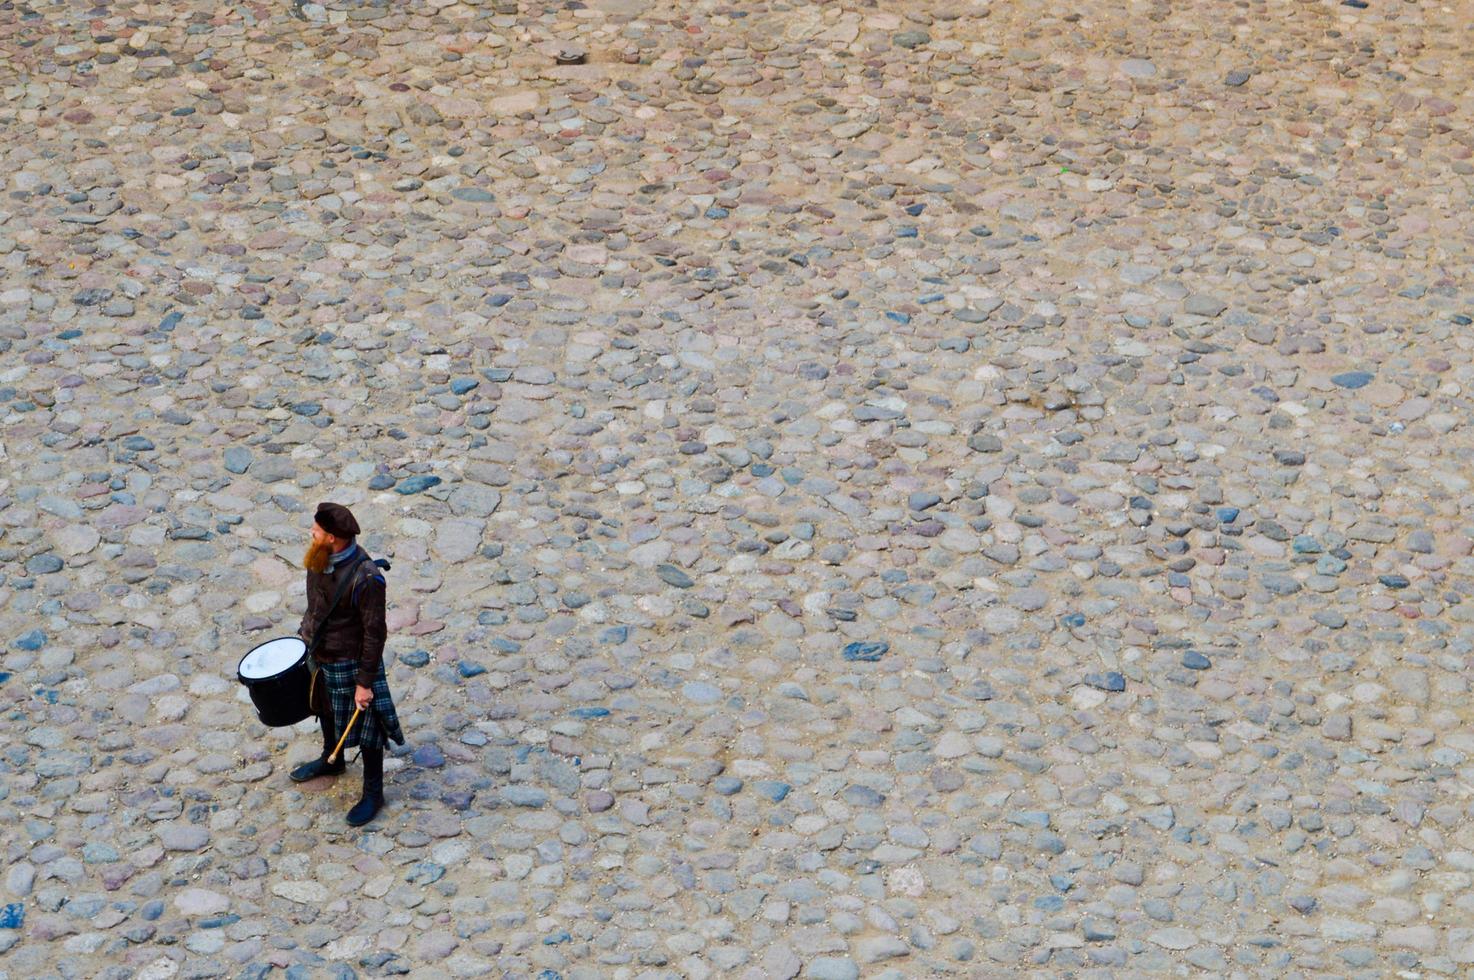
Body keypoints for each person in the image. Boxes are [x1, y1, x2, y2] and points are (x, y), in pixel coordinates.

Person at [292, 502, 404, 826]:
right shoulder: (318, 557)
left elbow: (375, 633)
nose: (311, 533)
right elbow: (314, 606)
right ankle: (333, 760)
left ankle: (373, 792)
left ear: (332, 538)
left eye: (317, 530)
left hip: (350, 662)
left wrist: (364, 682)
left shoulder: (367, 578)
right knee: (324, 706)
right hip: (319, 651)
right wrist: (304, 637)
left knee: (368, 730)